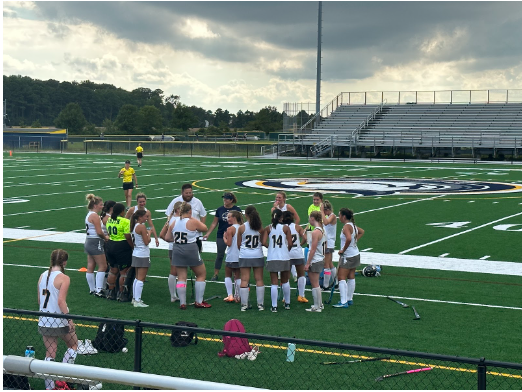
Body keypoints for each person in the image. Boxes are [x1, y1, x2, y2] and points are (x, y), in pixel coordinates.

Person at [37, 249, 78, 390]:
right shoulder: (64, 278)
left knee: (50, 354)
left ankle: (50, 387)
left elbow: (39, 300)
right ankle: (62, 378)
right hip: (58, 319)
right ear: (64, 262)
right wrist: (69, 319)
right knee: (73, 345)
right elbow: (61, 301)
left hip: (44, 319)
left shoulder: (42, 276)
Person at [165, 202, 210, 309]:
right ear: (190, 211)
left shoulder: (174, 222)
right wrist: (194, 219)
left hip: (177, 248)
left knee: (181, 277)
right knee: (201, 274)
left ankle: (182, 302)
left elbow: (167, 237)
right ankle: (199, 301)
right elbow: (204, 228)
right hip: (190, 248)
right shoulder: (192, 222)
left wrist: (177, 240)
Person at [203, 192, 242, 281]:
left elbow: (241, 222)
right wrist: (208, 233)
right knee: (220, 255)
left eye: (227, 198)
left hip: (235, 235)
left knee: (235, 254)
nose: (225, 200)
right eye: (224, 198)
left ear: (231, 200)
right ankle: (215, 274)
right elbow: (214, 223)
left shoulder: (237, 210)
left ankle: (236, 273)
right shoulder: (220, 209)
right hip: (221, 234)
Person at [334, 208, 365, 308]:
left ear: (343, 216)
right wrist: (354, 243)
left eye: (339, 215)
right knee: (351, 276)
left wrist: (343, 249)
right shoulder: (353, 225)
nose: (339, 217)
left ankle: (343, 302)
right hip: (355, 254)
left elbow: (348, 238)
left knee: (341, 278)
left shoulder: (346, 227)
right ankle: (349, 298)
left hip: (348, 256)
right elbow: (361, 232)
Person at [237, 206, 266, 312]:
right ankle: (260, 305)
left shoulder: (242, 228)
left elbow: (238, 244)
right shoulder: (259, 227)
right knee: (259, 279)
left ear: (246, 215)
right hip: (257, 254)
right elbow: (262, 242)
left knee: (244, 279)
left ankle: (244, 305)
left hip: (245, 255)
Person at [264, 209, 293, 312]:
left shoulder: (268, 228)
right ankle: (287, 303)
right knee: (285, 281)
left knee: (274, 283)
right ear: (281, 217)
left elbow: (263, 242)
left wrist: (270, 247)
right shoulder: (286, 228)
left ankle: (274, 306)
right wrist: (286, 250)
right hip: (284, 257)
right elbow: (290, 243)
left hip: (272, 257)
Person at [165, 183, 207, 252]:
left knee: (196, 256)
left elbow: (203, 215)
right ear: (182, 192)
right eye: (186, 193)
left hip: (195, 235)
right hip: (181, 235)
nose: (188, 195)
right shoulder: (176, 201)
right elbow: (169, 214)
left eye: (190, 193)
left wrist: (200, 226)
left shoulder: (197, 202)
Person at [105, 203, 134, 301]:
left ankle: (110, 292)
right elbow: (127, 236)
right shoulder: (125, 221)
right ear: (122, 211)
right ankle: (121, 294)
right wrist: (132, 246)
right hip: (121, 246)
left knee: (113, 270)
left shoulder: (109, 219)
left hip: (110, 245)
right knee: (123, 272)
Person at [271, 191, 301, 281]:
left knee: (288, 254)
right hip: (280, 233)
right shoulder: (273, 209)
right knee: (281, 253)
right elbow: (273, 221)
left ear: (284, 198)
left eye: (279, 198)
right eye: (277, 198)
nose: (277, 199)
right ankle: (280, 273)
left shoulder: (288, 207)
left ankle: (294, 274)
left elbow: (297, 219)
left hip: (288, 232)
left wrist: (292, 228)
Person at [84, 194, 109, 297]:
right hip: (96, 241)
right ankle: (99, 290)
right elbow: (99, 232)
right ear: (95, 205)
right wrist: (105, 237)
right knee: (103, 266)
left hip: (88, 241)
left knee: (90, 266)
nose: (102, 206)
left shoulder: (89, 214)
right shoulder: (94, 215)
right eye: (100, 204)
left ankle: (92, 289)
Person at [282, 211, 308, 303]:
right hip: (297, 253)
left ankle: (285, 297)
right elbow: (305, 238)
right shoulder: (297, 227)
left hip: (286, 253)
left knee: (285, 276)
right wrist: (300, 244)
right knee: (301, 274)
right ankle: (301, 295)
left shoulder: (282, 228)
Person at [160, 201, 182, 303]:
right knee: (179, 272)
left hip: (172, 247)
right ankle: (176, 295)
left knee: (174, 271)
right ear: (178, 209)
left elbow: (162, 235)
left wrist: (170, 241)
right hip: (178, 248)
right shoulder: (178, 220)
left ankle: (174, 295)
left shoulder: (171, 219)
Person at [304, 211, 326, 312]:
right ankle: (319, 304)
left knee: (315, 284)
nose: (309, 220)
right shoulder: (321, 230)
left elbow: (312, 249)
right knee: (316, 283)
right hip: (319, 258)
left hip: (315, 259)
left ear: (313, 219)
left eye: (309, 218)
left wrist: (308, 262)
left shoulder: (315, 232)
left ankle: (317, 306)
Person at [130, 209, 152, 307]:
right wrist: (149, 233)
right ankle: (137, 300)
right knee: (141, 278)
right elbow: (147, 241)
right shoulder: (141, 227)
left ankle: (135, 299)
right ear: (140, 217)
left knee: (137, 277)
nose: (147, 218)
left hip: (136, 253)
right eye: (145, 216)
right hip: (142, 254)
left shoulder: (134, 226)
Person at [222, 211, 243, 303]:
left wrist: (224, 238)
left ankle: (230, 295)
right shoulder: (243, 227)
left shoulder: (230, 229)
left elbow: (229, 243)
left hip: (231, 255)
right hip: (240, 255)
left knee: (227, 275)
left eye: (229, 217)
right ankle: (238, 296)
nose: (228, 219)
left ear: (234, 218)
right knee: (238, 276)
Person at [321, 200, 337, 290]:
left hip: (329, 242)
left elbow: (326, 222)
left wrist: (322, 212)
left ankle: (326, 285)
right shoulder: (327, 216)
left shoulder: (332, 216)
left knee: (326, 264)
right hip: (327, 241)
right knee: (330, 263)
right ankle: (336, 282)